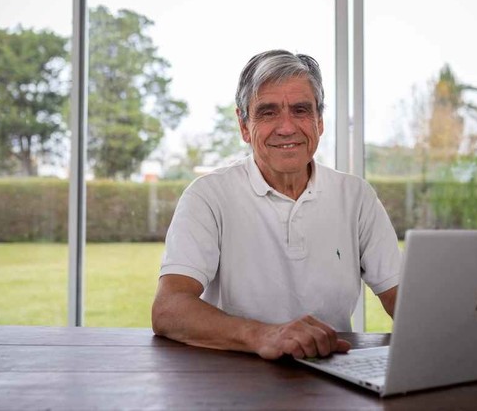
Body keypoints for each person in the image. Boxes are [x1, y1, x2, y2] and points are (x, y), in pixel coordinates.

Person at [152, 49, 401, 360]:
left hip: (333, 373)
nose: (286, 127)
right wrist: (263, 336)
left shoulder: (356, 196)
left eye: (300, 110)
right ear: (244, 125)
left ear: (319, 121)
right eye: (268, 113)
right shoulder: (207, 195)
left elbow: (402, 300)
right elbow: (168, 309)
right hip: (234, 375)